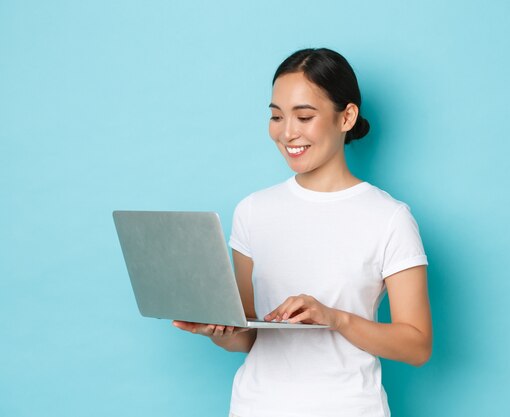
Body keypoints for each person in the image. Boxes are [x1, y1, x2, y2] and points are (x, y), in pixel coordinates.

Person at [173, 48, 432, 417]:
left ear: (347, 117)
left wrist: (336, 318)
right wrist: (216, 328)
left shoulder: (389, 218)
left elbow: (417, 346)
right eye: (276, 116)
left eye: (304, 116)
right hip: (256, 407)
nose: (287, 132)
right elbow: (248, 337)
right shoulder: (252, 211)